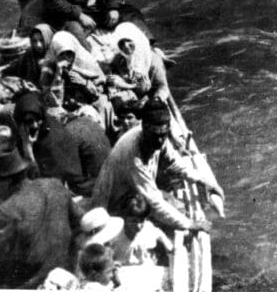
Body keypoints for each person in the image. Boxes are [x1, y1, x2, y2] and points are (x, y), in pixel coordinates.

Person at [90, 98, 223, 235]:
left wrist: (202, 181)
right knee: (171, 220)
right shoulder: (133, 154)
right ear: (144, 127)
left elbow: (175, 163)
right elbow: (154, 203)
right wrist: (190, 224)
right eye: (156, 135)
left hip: (135, 192)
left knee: (177, 206)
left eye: (163, 135)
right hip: (113, 206)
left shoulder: (156, 136)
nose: (160, 141)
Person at [0, 149, 77, 289]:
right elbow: (78, 220)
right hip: (64, 271)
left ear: (6, 182)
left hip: (31, 282)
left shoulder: (8, 210)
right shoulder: (55, 185)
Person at [12, 90, 93, 195]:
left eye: (38, 119)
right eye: (29, 121)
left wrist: (27, 147)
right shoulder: (26, 133)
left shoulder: (53, 139)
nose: (35, 125)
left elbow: (45, 184)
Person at [108, 193, 173, 264]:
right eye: (134, 221)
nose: (139, 226)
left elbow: (169, 246)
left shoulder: (149, 229)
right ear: (125, 218)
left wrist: (169, 250)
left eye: (142, 221)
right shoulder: (115, 232)